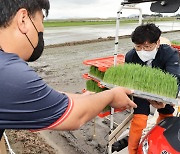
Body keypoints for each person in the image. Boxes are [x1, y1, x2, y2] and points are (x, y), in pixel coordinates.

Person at [0, 0, 137, 152]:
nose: (42, 28)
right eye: (41, 20)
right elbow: (74, 116)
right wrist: (111, 95)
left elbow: (41, 96)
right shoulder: (9, 72)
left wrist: (85, 98)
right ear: (23, 19)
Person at [125, 23, 180, 154]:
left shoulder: (170, 54)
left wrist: (165, 99)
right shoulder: (130, 56)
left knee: (166, 114)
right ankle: (132, 151)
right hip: (141, 91)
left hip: (163, 92)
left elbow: (175, 78)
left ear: (158, 43)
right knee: (139, 119)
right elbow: (129, 79)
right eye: (138, 47)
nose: (142, 51)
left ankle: (156, 142)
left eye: (147, 47)